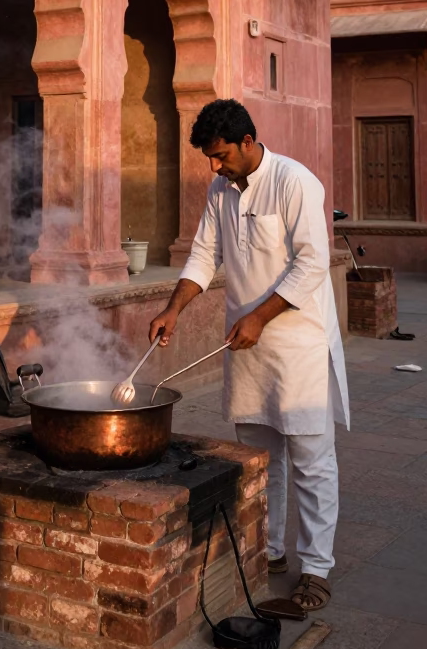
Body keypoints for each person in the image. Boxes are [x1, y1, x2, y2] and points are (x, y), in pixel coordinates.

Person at [149, 98, 349, 611]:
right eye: (209, 160)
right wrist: (175, 309)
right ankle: (272, 551)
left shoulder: (294, 181)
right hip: (247, 344)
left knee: (310, 460)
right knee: (261, 459)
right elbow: (203, 253)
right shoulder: (222, 189)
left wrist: (260, 316)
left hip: (297, 344)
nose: (215, 168)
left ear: (246, 141)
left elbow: (312, 264)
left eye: (221, 156)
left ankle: (318, 570)